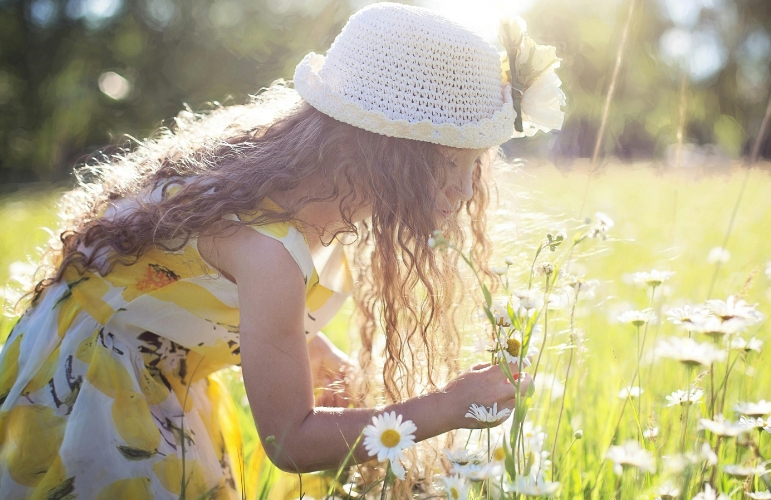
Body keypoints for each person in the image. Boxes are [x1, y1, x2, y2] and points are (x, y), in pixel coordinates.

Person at [0, 3, 563, 498]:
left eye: (475, 163)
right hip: (95, 389)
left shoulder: (310, 190)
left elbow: (208, 296)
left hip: (159, 364)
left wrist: (320, 357)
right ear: (377, 152)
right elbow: (288, 440)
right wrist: (443, 407)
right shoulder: (268, 248)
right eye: (446, 163)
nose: (465, 191)